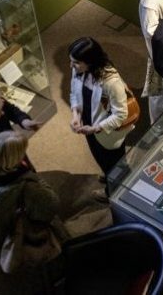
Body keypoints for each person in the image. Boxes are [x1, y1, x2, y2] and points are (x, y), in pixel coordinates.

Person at [0, 131, 65, 295]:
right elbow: (50, 207)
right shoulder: (26, 188)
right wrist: (34, 178)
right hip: (22, 242)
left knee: (3, 277)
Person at [68, 37, 130, 202]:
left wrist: (96, 128)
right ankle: (109, 175)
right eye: (71, 61)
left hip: (106, 130)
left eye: (75, 62)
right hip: (90, 124)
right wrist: (76, 114)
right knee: (100, 157)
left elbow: (121, 115)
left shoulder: (112, 82)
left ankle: (113, 192)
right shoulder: (78, 70)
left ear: (90, 61)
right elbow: (74, 92)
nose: (71, 66)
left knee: (115, 163)